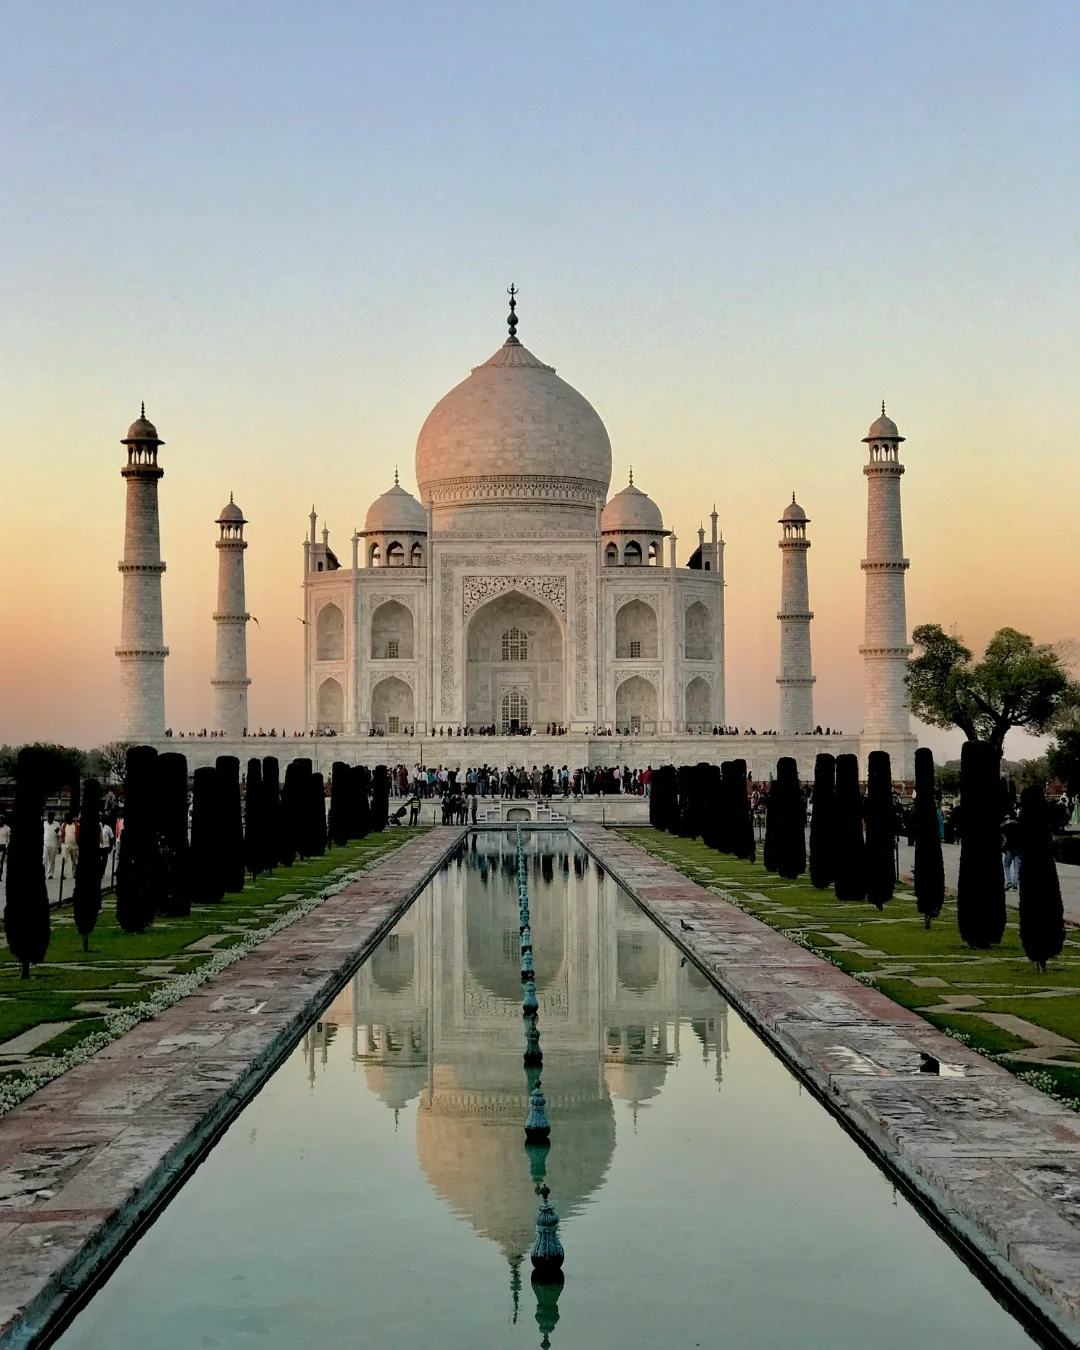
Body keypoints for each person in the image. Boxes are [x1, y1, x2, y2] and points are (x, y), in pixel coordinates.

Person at [1002, 813, 1021, 891]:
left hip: (1009, 848)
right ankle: (1015, 885)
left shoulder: (1007, 826)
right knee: (1017, 868)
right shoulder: (1022, 826)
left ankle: (1009, 881)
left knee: (1007, 866)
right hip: (1019, 850)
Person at [43, 811, 61, 879]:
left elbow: (60, 833)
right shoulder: (44, 823)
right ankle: (43, 873)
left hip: (53, 844)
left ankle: (50, 874)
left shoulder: (57, 824)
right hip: (45, 844)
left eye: (51, 817)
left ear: (53, 817)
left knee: (52, 860)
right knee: (44, 859)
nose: (50, 818)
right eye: (49, 817)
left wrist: (57, 833)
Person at [0, 814, 8, 880]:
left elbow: (9, 838)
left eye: (1, 819)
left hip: (3, 846)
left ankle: (0, 874)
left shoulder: (7, 828)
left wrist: (7, 845)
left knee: (0, 860)